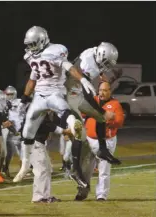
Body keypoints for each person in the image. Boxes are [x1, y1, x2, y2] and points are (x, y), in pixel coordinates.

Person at [14, 26, 97, 187]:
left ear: (42, 40)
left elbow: (69, 67)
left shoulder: (56, 51)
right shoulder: (31, 56)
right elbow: (33, 78)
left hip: (54, 91)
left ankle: (74, 125)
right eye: (29, 44)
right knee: (27, 132)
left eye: (33, 43)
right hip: (39, 95)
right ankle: (24, 166)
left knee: (63, 110)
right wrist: (24, 99)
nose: (30, 47)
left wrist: (83, 80)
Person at [65, 42, 122, 165]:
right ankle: (73, 166)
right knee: (80, 131)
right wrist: (103, 111)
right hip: (69, 94)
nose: (106, 66)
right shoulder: (89, 64)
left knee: (100, 118)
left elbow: (98, 66)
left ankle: (102, 150)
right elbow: (88, 94)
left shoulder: (94, 52)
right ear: (101, 55)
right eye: (106, 63)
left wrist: (102, 74)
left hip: (76, 91)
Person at [75, 81, 124, 201]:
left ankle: (101, 195)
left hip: (106, 141)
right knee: (85, 168)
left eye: (105, 90)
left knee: (104, 169)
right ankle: (82, 192)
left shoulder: (115, 104)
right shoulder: (93, 101)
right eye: (100, 90)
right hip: (90, 139)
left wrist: (107, 120)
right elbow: (81, 112)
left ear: (109, 91)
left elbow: (119, 122)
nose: (102, 92)